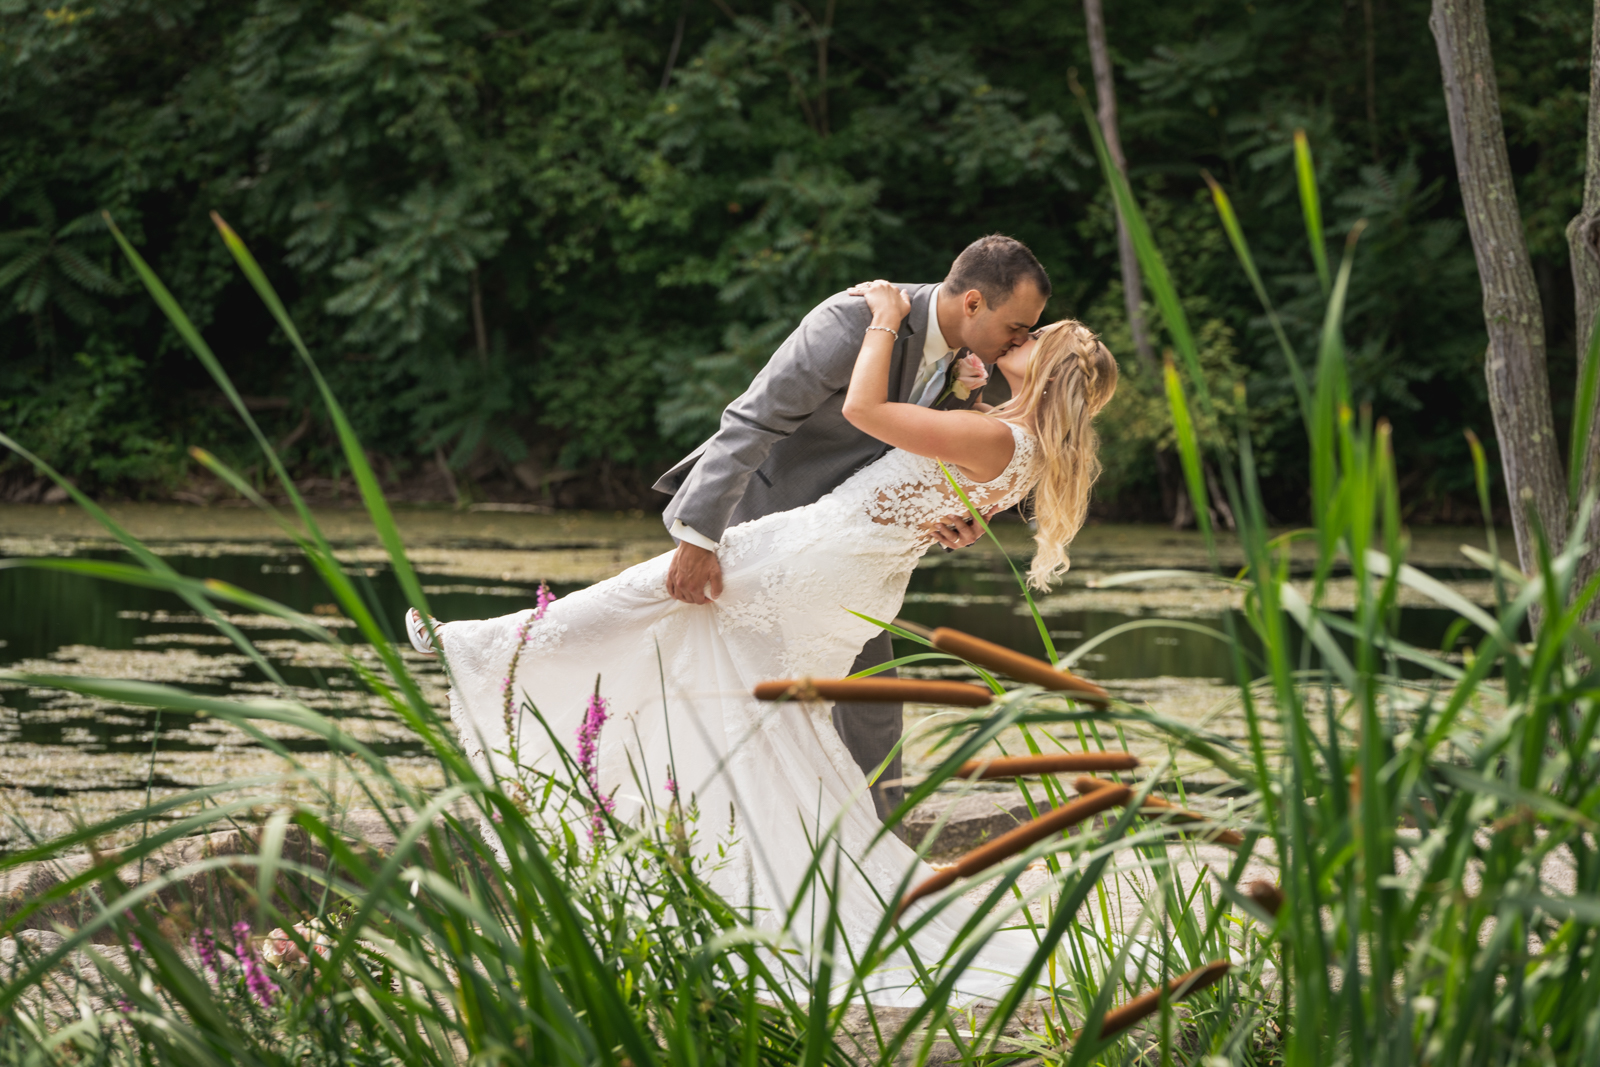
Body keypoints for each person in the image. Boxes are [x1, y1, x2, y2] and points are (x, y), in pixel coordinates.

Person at [404, 291, 1118, 1004]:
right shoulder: (1009, 440)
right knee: (758, 712)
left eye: (1032, 338)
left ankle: (488, 649)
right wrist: (957, 404)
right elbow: (934, 481)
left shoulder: (997, 438)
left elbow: (865, 414)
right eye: (1020, 327)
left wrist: (882, 322)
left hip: (822, 556)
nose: (1016, 340)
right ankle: (756, 883)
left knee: (664, 599)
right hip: (852, 569)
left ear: (1048, 368)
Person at [655, 235, 1052, 823]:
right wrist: (697, 538)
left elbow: (926, 461)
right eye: (1016, 327)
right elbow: (749, 420)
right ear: (973, 304)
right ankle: (706, 825)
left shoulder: (978, 367)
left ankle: (878, 850)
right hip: (766, 523)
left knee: (870, 698)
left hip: (850, 551)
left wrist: (957, 515)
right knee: (734, 693)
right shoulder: (851, 322)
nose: (1021, 342)